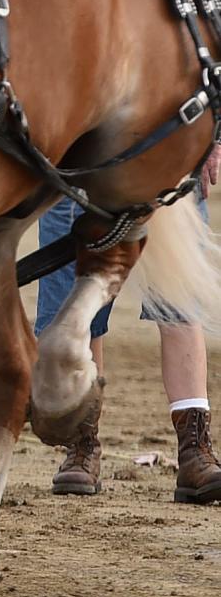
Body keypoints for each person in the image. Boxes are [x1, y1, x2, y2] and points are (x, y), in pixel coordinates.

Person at [34, 160, 221, 503]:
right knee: (74, 308)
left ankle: (195, 449)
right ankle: (82, 444)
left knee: (179, 301)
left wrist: (214, 135)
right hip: (78, 151)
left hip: (165, 142)